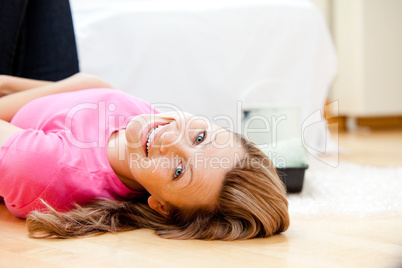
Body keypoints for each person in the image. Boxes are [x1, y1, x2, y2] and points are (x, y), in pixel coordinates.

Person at [0, 73, 290, 240]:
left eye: (178, 170)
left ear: (161, 206)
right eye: (200, 137)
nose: (169, 139)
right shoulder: (142, 119)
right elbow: (86, 83)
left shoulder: (44, 168)